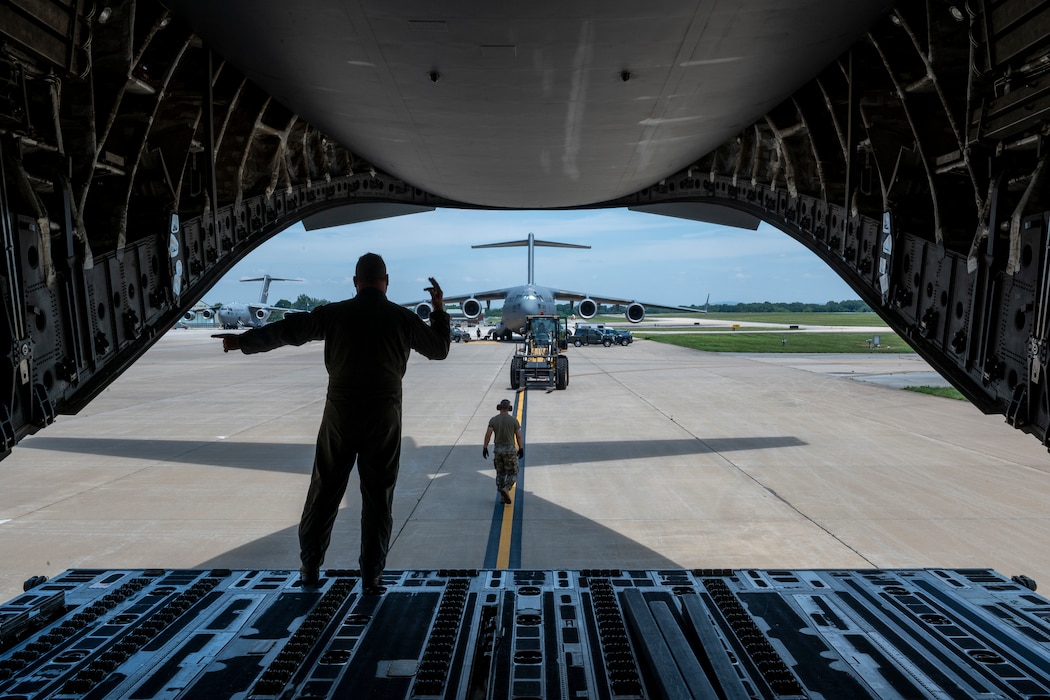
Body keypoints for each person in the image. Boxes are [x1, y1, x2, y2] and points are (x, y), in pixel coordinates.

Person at [213, 253, 449, 594]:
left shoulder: (336, 314)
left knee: (324, 491)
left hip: (341, 411)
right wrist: (438, 309)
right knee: (378, 497)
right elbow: (439, 349)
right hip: (384, 414)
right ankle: (372, 577)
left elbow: (291, 330)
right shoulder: (401, 318)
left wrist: (244, 342)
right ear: (387, 281)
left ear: (356, 282)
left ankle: (310, 567)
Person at [482, 399, 524, 504]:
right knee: (513, 472)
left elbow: (488, 434)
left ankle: (502, 495)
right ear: (509, 408)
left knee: (500, 473)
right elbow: (518, 436)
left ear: (499, 407)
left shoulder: (493, 420)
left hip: (498, 450)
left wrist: (485, 447)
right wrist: (521, 448)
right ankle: (507, 487)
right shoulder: (514, 421)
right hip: (510, 450)